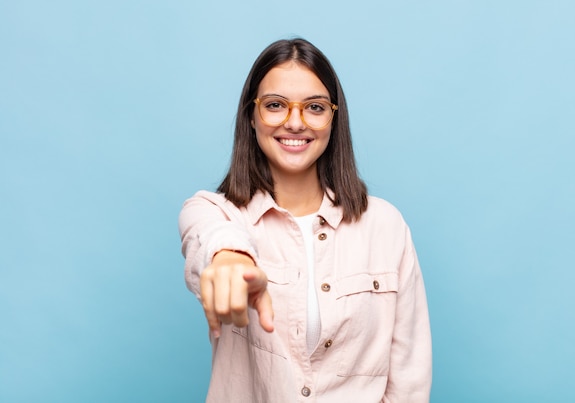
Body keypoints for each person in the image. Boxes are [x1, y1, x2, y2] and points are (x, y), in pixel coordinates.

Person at [178, 38, 432, 402]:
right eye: (275, 105)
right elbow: (204, 234)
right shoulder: (216, 213)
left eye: (314, 107)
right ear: (251, 115)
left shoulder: (386, 226)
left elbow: (409, 382)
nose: (295, 123)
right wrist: (229, 257)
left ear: (333, 116)